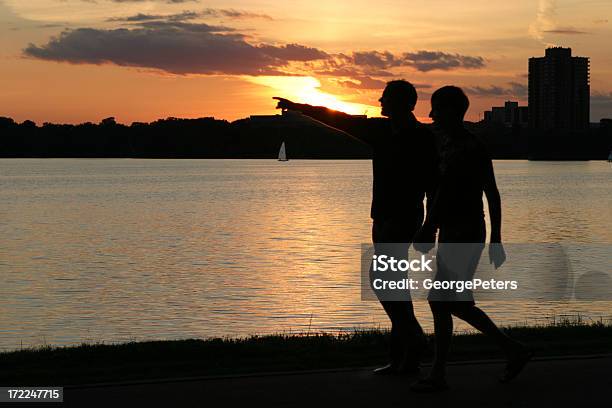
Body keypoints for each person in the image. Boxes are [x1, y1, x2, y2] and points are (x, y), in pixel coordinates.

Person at [273, 80, 437, 375]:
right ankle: (405, 358)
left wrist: (429, 226)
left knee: (383, 279)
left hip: (403, 217)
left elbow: (434, 186)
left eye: (385, 97)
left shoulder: (422, 138)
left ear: (401, 102)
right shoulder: (381, 131)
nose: (379, 100)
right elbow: (336, 117)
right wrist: (298, 107)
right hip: (382, 216)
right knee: (394, 287)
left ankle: (414, 339)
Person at [412, 86, 532, 392]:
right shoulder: (446, 144)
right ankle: (506, 351)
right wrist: (430, 226)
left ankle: (507, 351)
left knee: (446, 302)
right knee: (450, 303)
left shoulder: (472, 148)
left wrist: (497, 238)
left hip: (465, 233)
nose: (431, 114)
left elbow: (491, 194)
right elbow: (439, 193)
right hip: (452, 232)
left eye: (436, 108)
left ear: (452, 111)